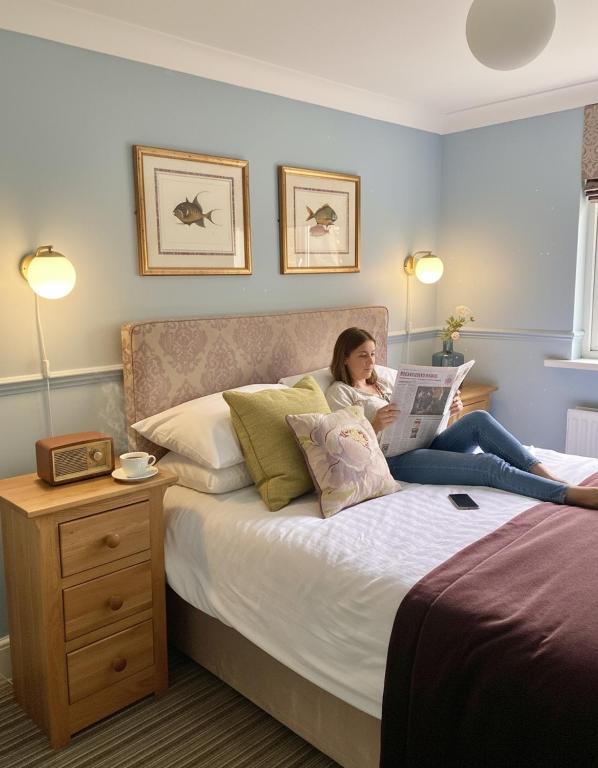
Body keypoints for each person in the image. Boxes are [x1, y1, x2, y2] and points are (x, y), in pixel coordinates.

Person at [326, 327, 598, 509]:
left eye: (373, 354)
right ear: (345, 357)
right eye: (363, 355)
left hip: (425, 445)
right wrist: (374, 424)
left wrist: (448, 410)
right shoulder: (339, 392)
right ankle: (566, 494)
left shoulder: (384, 380)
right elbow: (345, 448)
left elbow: (422, 422)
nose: (371, 362)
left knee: (478, 418)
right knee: (487, 464)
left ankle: (550, 477)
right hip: (395, 461)